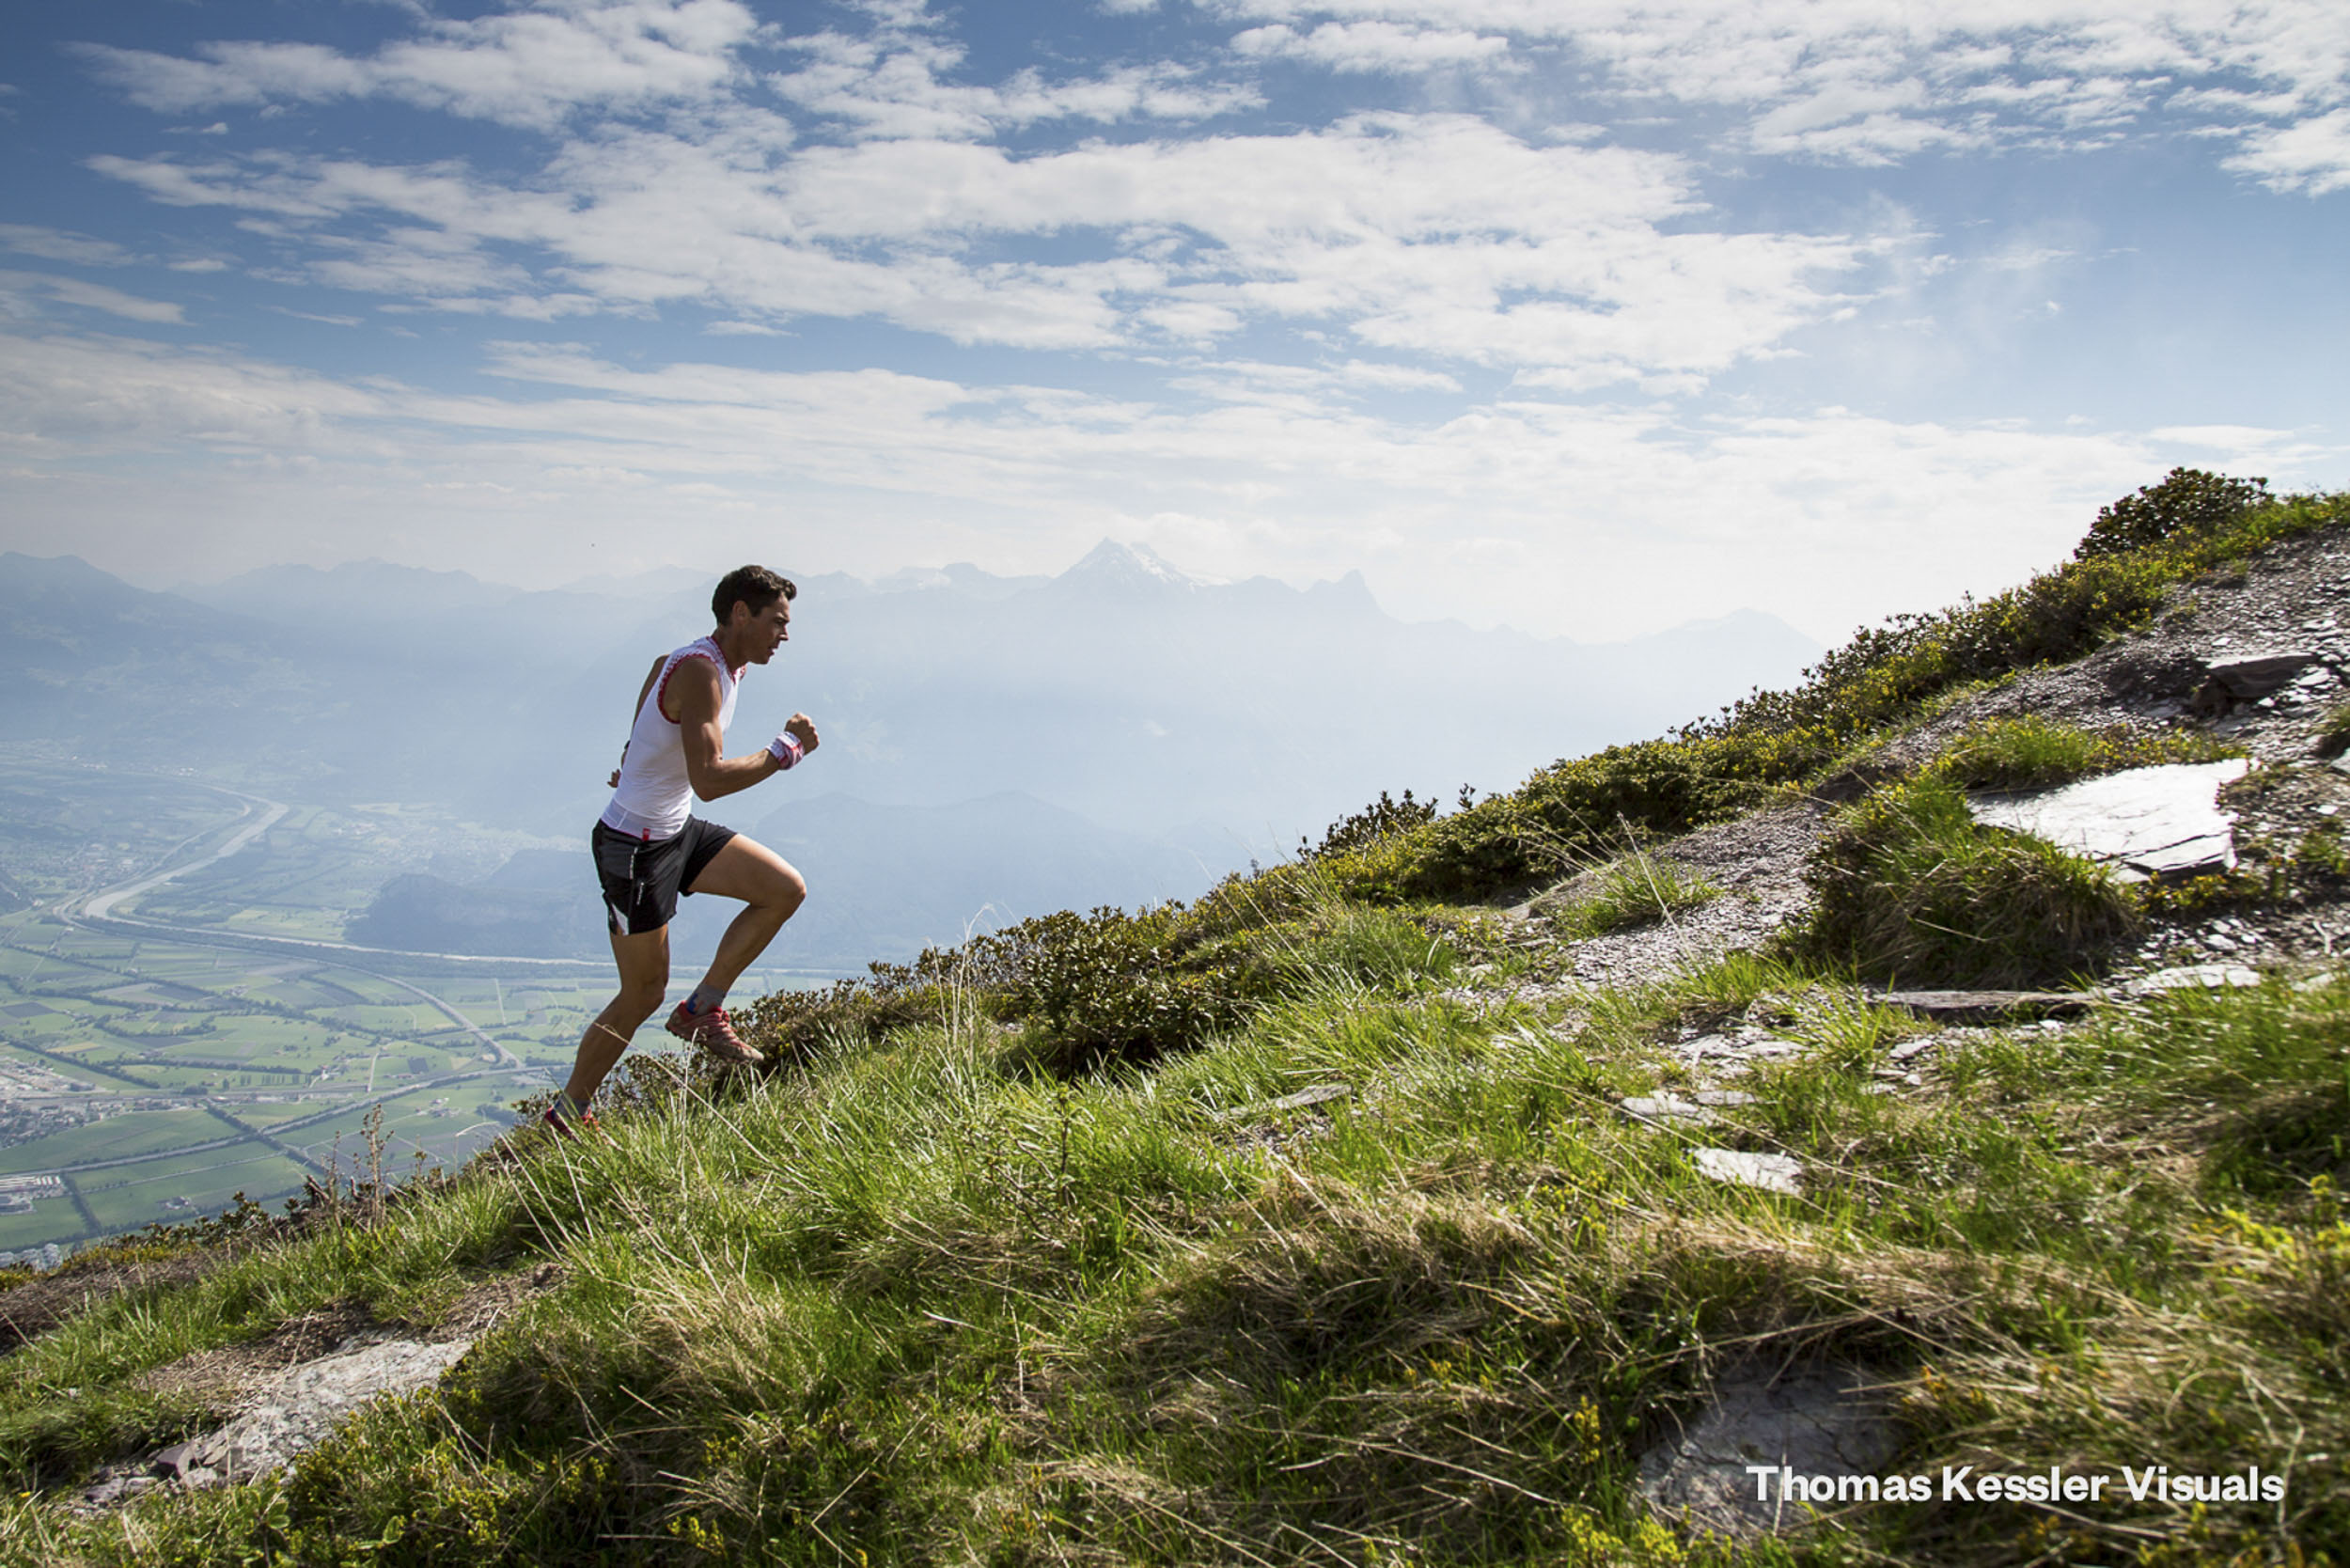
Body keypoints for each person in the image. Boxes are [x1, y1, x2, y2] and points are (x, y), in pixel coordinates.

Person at [544, 565, 819, 1137]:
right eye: (777, 622)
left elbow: (650, 702)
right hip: (635, 848)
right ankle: (567, 1117)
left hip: (673, 828)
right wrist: (785, 751)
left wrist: (636, 759)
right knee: (642, 992)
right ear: (740, 613)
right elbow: (710, 779)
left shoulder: (704, 662)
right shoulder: (701, 672)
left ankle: (701, 1011)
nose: (785, 635)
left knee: (783, 890)